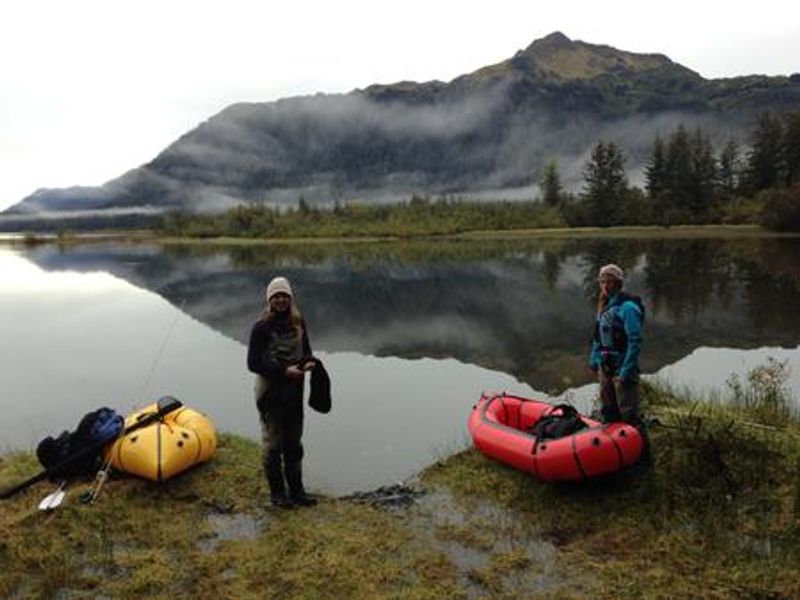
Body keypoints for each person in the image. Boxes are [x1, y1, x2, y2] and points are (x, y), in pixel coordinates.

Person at [247, 276, 317, 508]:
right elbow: (253, 364)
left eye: (284, 296)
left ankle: (297, 492)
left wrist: (308, 363)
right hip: (269, 393)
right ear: (269, 300)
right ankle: (278, 495)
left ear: (290, 298)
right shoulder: (261, 328)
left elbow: (306, 351)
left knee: (294, 443)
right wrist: (285, 372)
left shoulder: (299, 322)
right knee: (273, 444)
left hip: (294, 392)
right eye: (276, 296)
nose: (280, 300)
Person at [588, 264, 645, 428]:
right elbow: (598, 337)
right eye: (602, 282)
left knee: (629, 415)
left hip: (622, 368)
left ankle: (641, 452)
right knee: (608, 412)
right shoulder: (604, 307)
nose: (605, 285)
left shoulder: (628, 308)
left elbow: (635, 341)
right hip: (605, 367)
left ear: (618, 283)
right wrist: (594, 360)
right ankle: (611, 450)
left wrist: (626, 371)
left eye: (610, 282)